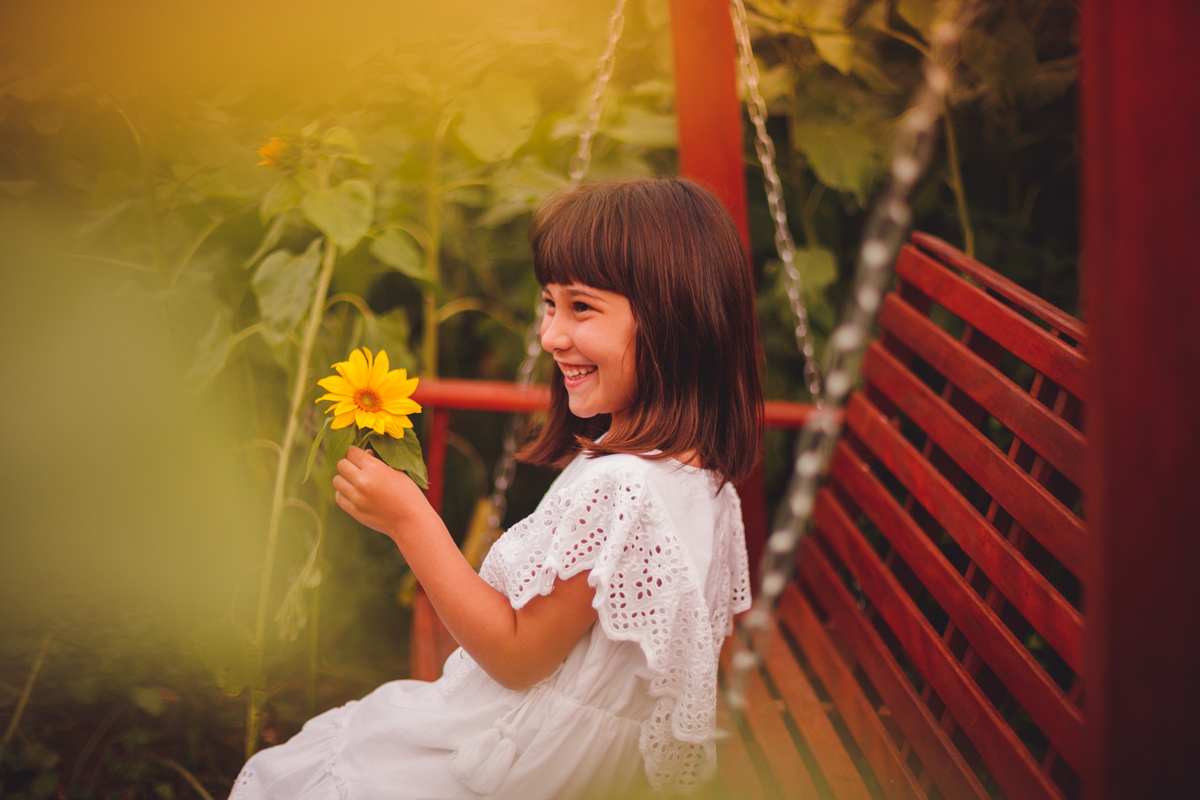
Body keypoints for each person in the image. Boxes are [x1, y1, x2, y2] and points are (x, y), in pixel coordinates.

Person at [230, 178, 763, 800]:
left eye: (581, 307)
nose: (551, 336)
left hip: (522, 765)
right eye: (549, 304)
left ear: (676, 320)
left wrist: (410, 519)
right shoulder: (702, 480)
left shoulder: (625, 487)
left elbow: (516, 659)